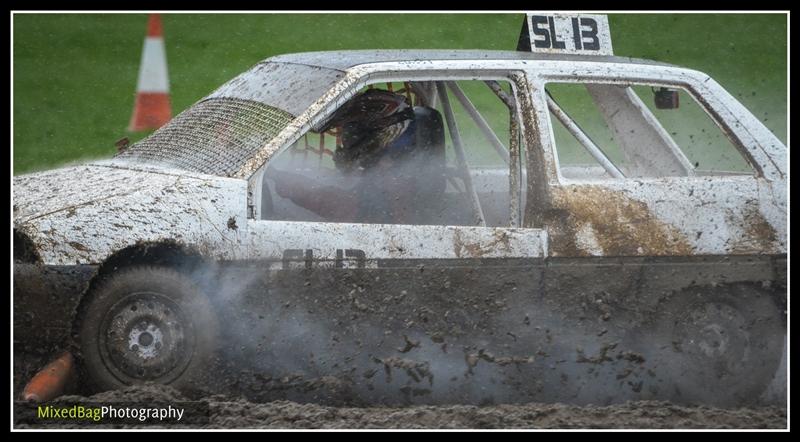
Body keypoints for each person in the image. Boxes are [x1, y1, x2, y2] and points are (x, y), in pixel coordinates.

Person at [270, 88, 445, 224]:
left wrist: (293, 186)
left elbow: (345, 207)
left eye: (352, 130)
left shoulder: (399, 181)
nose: (345, 137)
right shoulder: (392, 168)